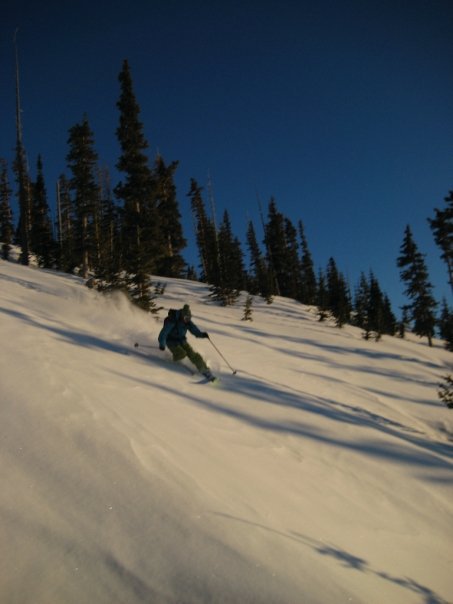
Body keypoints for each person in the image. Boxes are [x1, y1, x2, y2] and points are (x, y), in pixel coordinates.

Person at [158, 304, 214, 380]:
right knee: (181, 353)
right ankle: (173, 361)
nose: (187, 320)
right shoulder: (172, 321)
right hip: (171, 341)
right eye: (186, 318)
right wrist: (162, 344)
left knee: (193, 354)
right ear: (182, 315)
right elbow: (164, 333)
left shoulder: (187, 322)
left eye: (189, 318)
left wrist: (202, 335)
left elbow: (194, 330)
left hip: (182, 340)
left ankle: (204, 369)